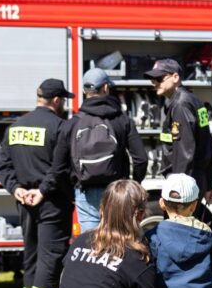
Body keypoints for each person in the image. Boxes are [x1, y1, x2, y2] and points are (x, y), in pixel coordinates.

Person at [0, 78, 75, 288]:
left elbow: (2, 166)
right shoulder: (60, 127)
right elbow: (60, 168)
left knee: (31, 256)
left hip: (25, 202)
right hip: (51, 201)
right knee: (49, 258)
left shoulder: (16, 126)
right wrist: (42, 191)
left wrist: (16, 189)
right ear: (57, 100)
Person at [47, 68, 147, 232]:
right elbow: (141, 159)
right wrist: (134, 185)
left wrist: (73, 193)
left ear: (84, 91)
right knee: (119, 243)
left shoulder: (71, 124)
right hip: (118, 192)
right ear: (106, 88)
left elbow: (58, 168)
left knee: (91, 247)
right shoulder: (122, 120)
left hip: (85, 192)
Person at [145, 58, 212, 206]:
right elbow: (208, 144)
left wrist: (176, 192)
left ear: (175, 77)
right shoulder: (192, 100)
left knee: (178, 228)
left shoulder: (180, 105)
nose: (154, 83)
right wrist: (209, 183)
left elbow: (184, 153)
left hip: (184, 184)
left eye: (159, 78)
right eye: (152, 79)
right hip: (194, 180)